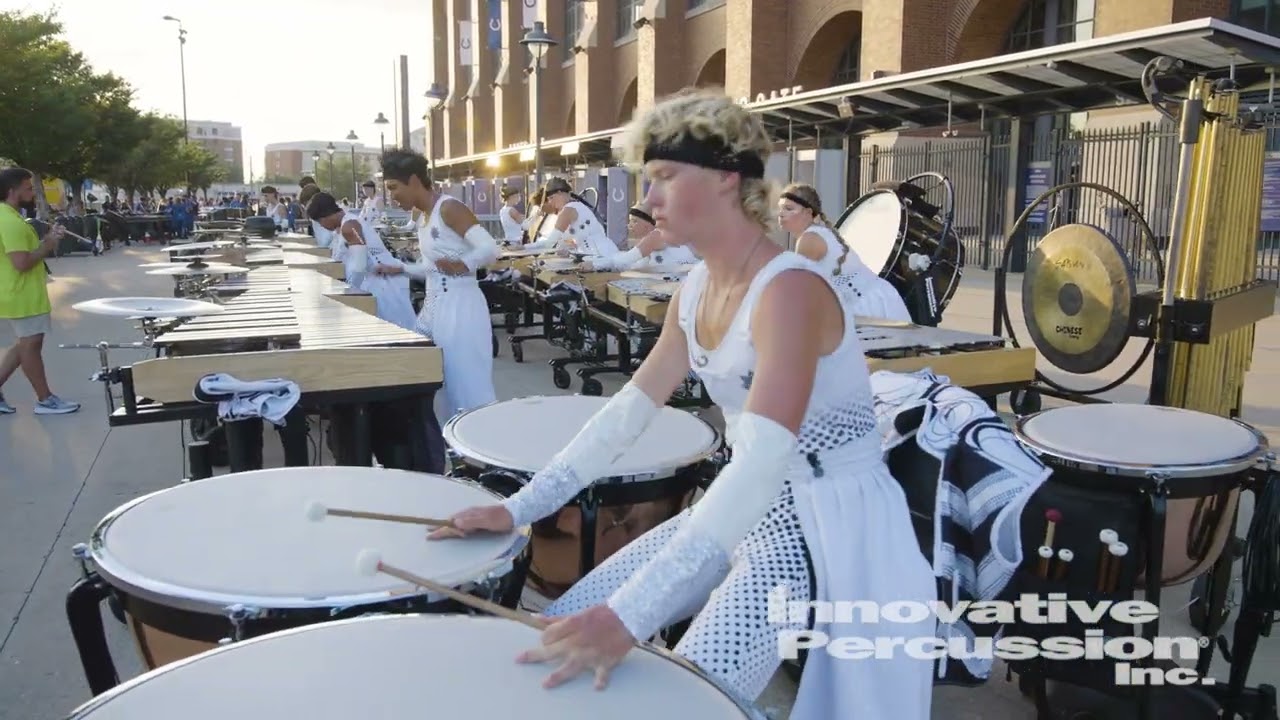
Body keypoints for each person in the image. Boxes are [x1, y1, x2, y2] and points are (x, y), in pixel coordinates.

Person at [428, 89, 935, 720]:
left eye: (665, 176)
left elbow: (763, 463)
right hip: (751, 503)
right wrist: (516, 510)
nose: (650, 198)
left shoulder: (790, 292)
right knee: (554, 628)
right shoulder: (695, 289)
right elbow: (622, 418)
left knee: (685, 700)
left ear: (727, 179)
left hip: (826, 520)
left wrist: (629, 617)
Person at [374, 148, 499, 418]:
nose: (392, 196)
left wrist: (463, 264)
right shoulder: (423, 216)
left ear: (415, 181)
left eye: (394, 187)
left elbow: (490, 248)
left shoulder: (449, 208)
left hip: (461, 306)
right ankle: (446, 445)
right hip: (434, 305)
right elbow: (432, 269)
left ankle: (478, 450)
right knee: (431, 377)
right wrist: (401, 268)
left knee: (467, 387)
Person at [0, 168, 80, 415]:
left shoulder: (9, 216)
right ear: (12, 191)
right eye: (28, 188)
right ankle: (45, 399)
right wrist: (48, 243)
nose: (33, 192)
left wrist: (48, 239)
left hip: (20, 293)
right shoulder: (9, 221)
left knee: (24, 344)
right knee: (31, 346)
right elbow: (22, 262)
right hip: (22, 294)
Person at [777, 183, 911, 323]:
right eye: (780, 208)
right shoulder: (818, 233)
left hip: (867, 309)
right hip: (877, 301)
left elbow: (798, 290)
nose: (781, 213)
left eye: (788, 208)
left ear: (808, 212)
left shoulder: (810, 239)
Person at [306, 191, 417, 330]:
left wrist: (349, 293)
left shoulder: (349, 226)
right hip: (375, 281)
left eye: (320, 222)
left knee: (394, 331)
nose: (321, 226)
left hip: (382, 285)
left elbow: (359, 266)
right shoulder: (345, 225)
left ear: (326, 216)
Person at [581, 202, 698, 271]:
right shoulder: (655, 237)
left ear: (648, 224)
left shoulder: (656, 236)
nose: (629, 225)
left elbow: (627, 259)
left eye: (635, 221)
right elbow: (635, 263)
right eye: (630, 221)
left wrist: (595, 264)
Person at [524, 177, 616, 257]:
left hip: (600, 256)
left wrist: (524, 247)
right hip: (603, 253)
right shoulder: (577, 206)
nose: (551, 202)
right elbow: (566, 242)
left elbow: (549, 243)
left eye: (551, 198)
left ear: (560, 193)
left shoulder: (568, 210)